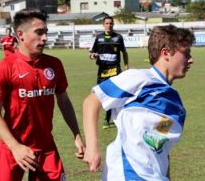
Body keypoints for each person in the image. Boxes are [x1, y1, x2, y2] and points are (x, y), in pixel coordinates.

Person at [83, 24, 195, 180]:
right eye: (186, 53)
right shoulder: (139, 78)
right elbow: (91, 101)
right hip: (127, 173)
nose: (191, 60)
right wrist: (92, 147)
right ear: (166, 53)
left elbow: (160, 146)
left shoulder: (176, 103)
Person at [0, 9, 85, 181]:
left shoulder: (54, 64)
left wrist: (77, 135)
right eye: (39, 33)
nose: (45, 38)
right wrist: (15, 147)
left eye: (45, 33)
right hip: (11, 148)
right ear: (20, 34)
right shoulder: (5, 67)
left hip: (46, 148)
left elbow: (64, 101)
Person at [88, 16, 129, 129]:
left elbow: (124, 53)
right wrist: (93, 55)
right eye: (107, 23)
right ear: (103, 24)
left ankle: (108, 118)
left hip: (115, 70)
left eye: (111, 23)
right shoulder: (99, 38)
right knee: (100, 95)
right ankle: (99, 116)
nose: (109, 25)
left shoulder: (118, 38)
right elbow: (91, 53)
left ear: (113, 24)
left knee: (114, 95)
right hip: (102, 71)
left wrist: (126, 67)